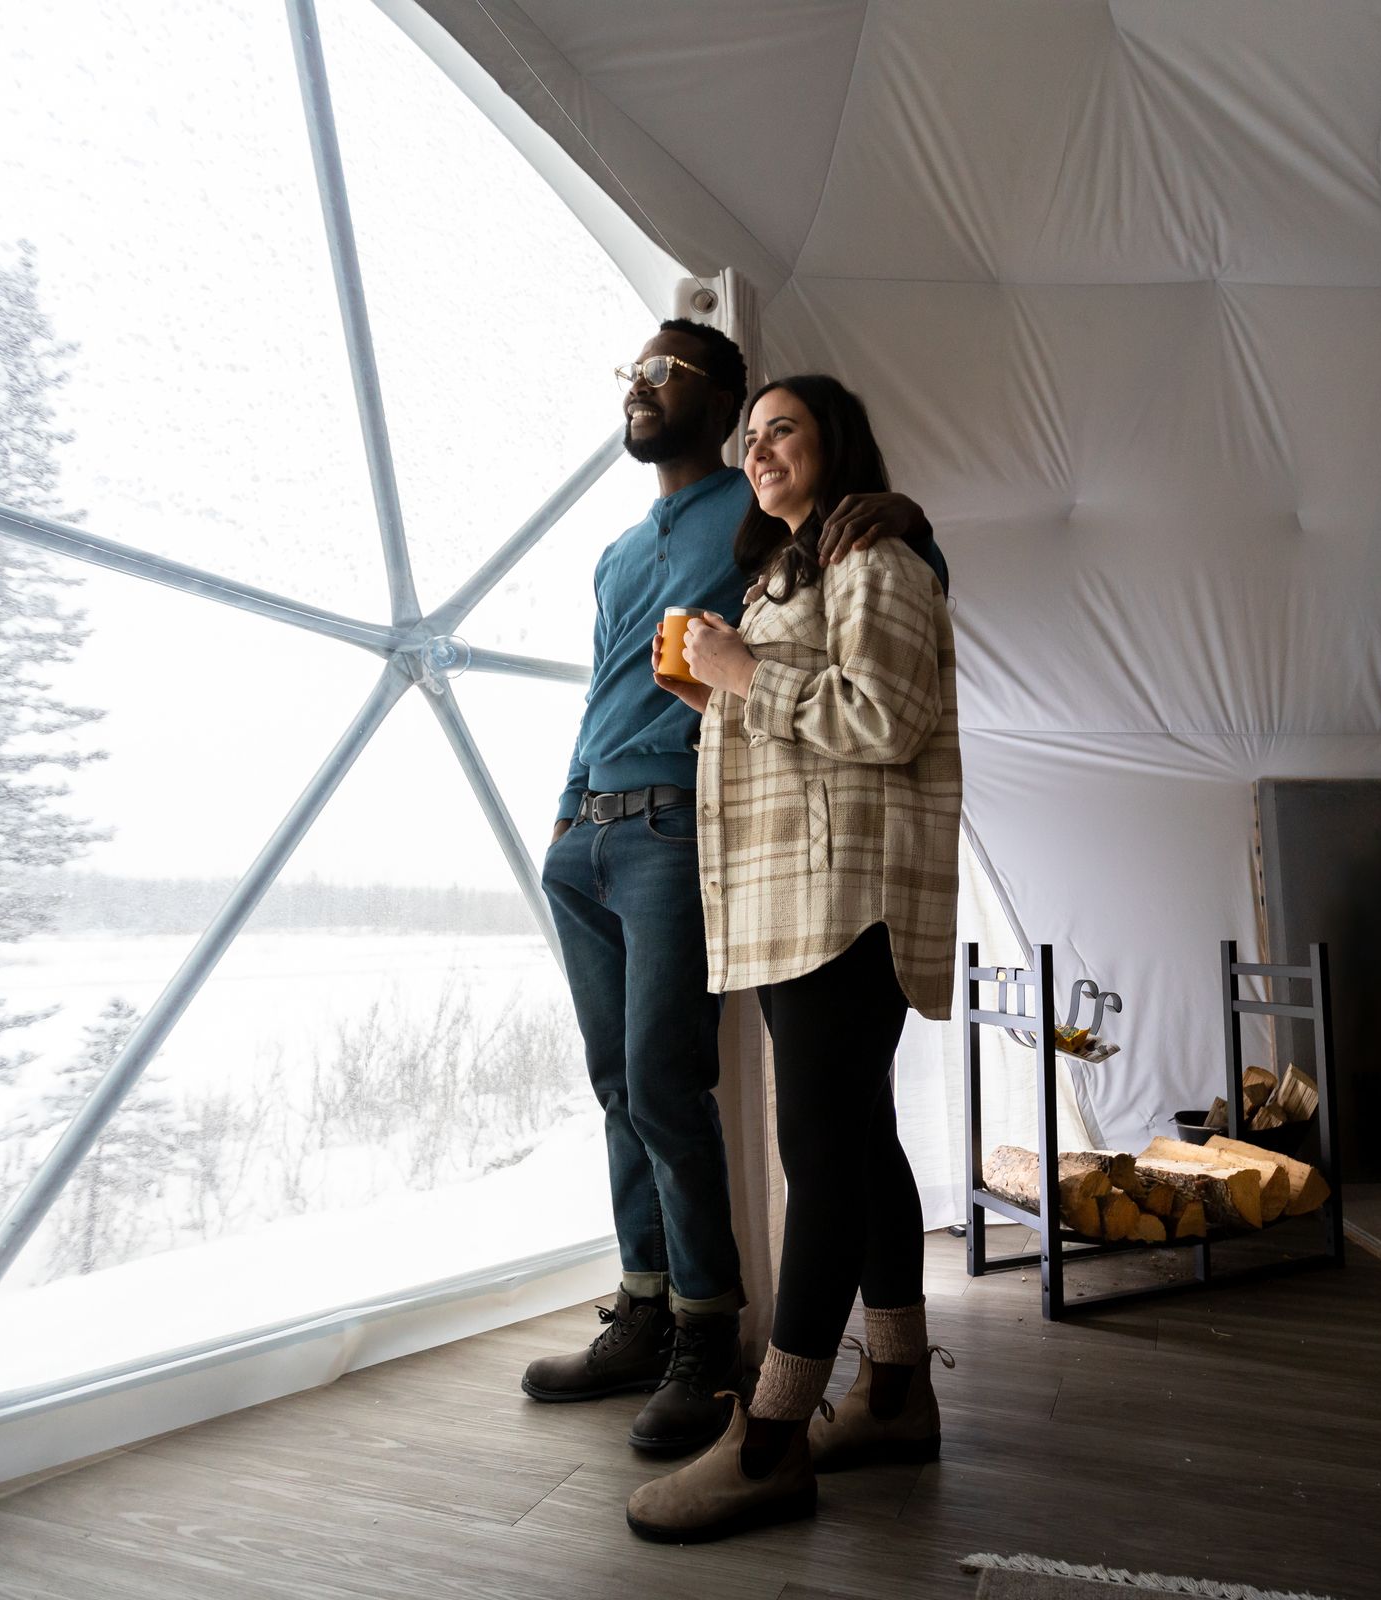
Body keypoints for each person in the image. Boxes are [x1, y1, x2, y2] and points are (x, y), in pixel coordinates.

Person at [524, 322, 947, 1460]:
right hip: (597, 829)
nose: (640, 385)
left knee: (684, 1089)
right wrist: (566, 807)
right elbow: (612, 683)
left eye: (665, 372)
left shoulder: (780, 531)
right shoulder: (641, 554)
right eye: (632, 371)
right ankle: (652, 1308)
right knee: (626, 1086)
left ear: (721, 397)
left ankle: (726, 1360)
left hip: (721, 843)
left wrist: (903, 513)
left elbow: (885, 616)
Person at [626, 374, 960, 1541]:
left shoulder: (877, 559)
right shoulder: (791, 573)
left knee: (819, 1160)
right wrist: (713, 690)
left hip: (843, 900)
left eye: (784, 430)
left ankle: (769, 1442)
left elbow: (886, 719)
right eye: (753, 435)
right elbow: (804, 727)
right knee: (860, 1143)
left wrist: (742, 676)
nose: (760, 448)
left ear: (836, 444)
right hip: (794, 900)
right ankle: (898, 1393)